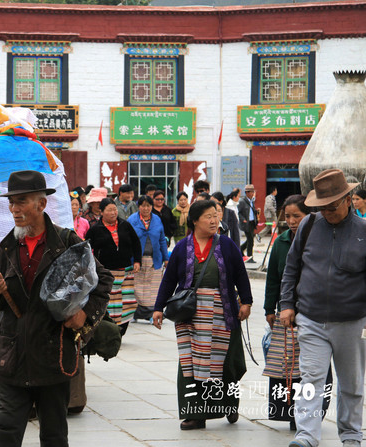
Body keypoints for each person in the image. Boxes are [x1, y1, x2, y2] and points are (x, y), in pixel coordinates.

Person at [0, 170, 112, 447]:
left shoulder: (66, 243)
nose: (14, 209)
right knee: (5, 433)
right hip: (13, 357)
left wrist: (85, 315)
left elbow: (103, 279)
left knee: (54, 436)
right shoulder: (5, 248)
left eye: (22, 201)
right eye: (11, 202)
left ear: (41, 204)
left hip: (53, 355)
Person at [280, 169, 366, 447]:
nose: (327, 212)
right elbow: (291, 268)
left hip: (352, 321)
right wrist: (286, 305)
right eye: (322, 207)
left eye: (333, 206)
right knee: (311, 379)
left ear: (349, 199)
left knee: (351, 384)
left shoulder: (363, 232)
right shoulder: (308, 226)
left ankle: (351, 434)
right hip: (311, 317)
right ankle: (306, 435)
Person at [153, 200, 252, 430]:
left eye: (216, 216)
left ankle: (229, 405)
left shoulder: (226, 245)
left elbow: (240, 274)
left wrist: (246, 301)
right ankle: (195, 414)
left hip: (223, 311)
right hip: (191, 314)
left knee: (224, 363)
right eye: (208, 216)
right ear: (195, 220)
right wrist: (158, 307)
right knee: (191, 363)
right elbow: (169, 280)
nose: (214, 220)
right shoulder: (182, 247)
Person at [263, 195, 332, 432]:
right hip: (287, 314)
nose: (292, 221)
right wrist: (269, 308)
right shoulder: (281, 242)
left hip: (313, 313)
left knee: (312, 368)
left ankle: (310, 415)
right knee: (286, 366)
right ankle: (288, 412)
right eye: (288, 216)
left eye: (297, 216)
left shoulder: (319, 239)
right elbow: (274, 278)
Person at [85, 197, 141, 336]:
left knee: (127, 303)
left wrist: (137, 261)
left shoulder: (125, 225)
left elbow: (136, 243)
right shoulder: (95, 229)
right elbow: (86, 248)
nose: (113, 212)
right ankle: (110, 332)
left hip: (126, 271)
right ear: (102, 212)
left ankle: (121, 332)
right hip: (106, 273)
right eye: (109, 210)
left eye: (115, 209)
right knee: (109, 304)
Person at [128, 195, 169, 323]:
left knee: (153, 288)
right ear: (138, 206)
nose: (146, 208)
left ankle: (152, 314)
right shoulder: (131, 220)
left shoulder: (157, 219)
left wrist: (166, 258)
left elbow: (162, 240)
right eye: (143, 205)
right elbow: (128, 240)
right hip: (136, 261)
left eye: (148, 205)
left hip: (154, 259)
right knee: (137, 287)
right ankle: (135, 313)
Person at [238, 184, 258, 263]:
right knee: (250, 241)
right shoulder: (242, 201)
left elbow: (252, 211)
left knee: (250, 240)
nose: (253, 193)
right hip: (246, 223)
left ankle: (240, 250)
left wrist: (256, 212)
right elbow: (239, 213)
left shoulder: (251, 201)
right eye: (251, 192)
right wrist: (243, 219)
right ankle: (250, 258)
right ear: (247, 193)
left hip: (252, 222)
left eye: (253, 192)